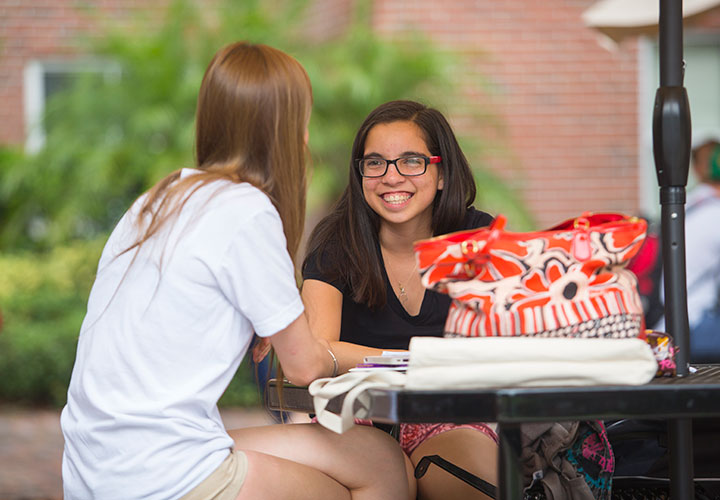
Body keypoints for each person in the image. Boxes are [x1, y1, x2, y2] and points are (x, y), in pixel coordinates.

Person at [60, 42, 412, 500]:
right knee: (367, 479)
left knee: (379, 458)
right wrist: (402, 360)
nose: (305, 140)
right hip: (162, 472)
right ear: (283, 133)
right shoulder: (246, 211)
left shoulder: (160, 198)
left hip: (96, 462)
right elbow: (304, 364)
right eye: (301, 125)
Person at [301, 100, 498, 500]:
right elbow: (315, 355)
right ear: (361, 176)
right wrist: (421, 360)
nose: (391, 177)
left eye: (411, 161)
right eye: (375, 163)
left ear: (442, 173)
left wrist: (359, 356)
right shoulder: (336, 244)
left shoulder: (480, 238)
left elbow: (498, 349)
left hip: (452, 417)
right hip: (355, 422)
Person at [653, 131, 720, 362]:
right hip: (695, 326)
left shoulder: (689, 206)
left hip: (666, 325)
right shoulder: (714, 213)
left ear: (697, 170)